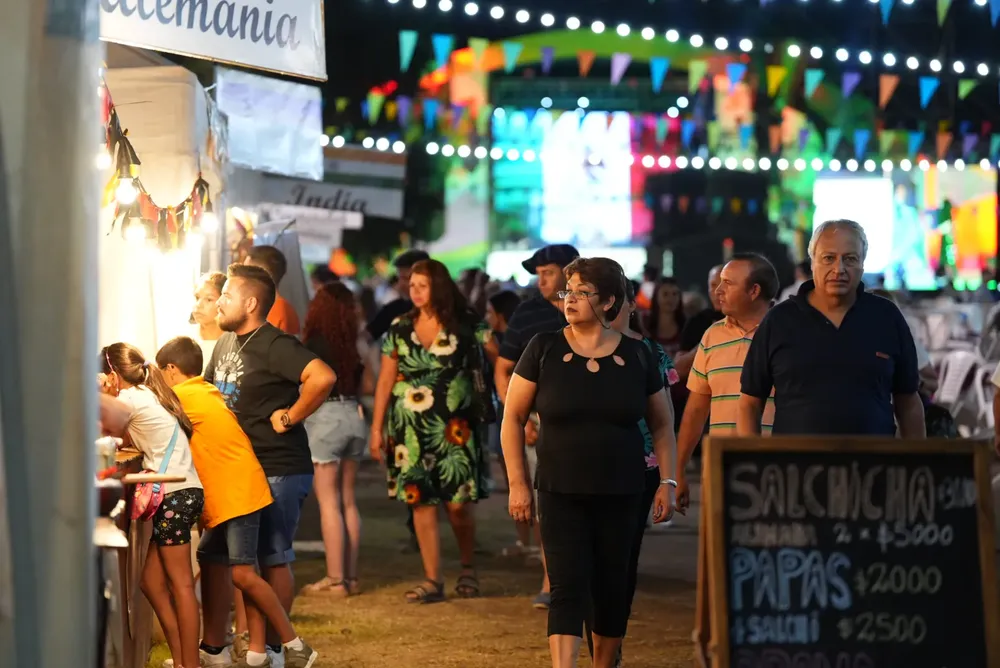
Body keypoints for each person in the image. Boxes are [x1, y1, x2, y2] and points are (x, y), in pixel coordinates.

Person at [501, 257, 676, 668]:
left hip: (624, 490)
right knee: (567, 586)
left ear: (610, 300)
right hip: (560, 489)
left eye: (582, 292)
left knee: (613, 585)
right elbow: (512, 417)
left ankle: (604, 663)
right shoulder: (543, 347)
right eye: (568, 291)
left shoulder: (638, 355)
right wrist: (517, 483)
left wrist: (668, 481)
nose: (570, 299)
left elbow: (664, 425)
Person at [155, 337, 317, 668]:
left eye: (161, 373)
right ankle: (238, 651)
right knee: (211, 556)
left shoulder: (183, 397)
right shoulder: (205, 391)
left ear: (171, 370)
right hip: (234, 494)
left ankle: (294, 643)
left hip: (237, 496)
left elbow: (150, 419)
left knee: (243, 574)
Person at [206, 263, 335, 667]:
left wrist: (291, 415)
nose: (219, 302)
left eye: (226, 295)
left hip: (278, 465)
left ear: (251, 302)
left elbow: (322, 376)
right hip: (242, 468)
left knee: (272, 554)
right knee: (232, 558)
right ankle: (234, 648)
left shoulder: (276, 343)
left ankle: (278, 649)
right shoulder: (226, 342)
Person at [670, 254, 779, 663]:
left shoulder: (786, 330)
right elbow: (695, 411)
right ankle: (725, 642)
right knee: (722, 558)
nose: (718, 289)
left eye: (728, 283)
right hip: (723, 470)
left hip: (777, 468)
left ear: (755, 291)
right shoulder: (713, 335)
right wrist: (677, 472)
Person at [370, 259, 499, 602]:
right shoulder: (399, 326)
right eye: (411, 285)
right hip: (409, 430)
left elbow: (501, 357)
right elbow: (385, 380)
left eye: (422, 285)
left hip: (456, 428)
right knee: (421, 502)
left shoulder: (466, 322)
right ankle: (432, 578)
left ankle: (468, 566)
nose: (414, 291)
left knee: (458, 505)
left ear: (438, 286)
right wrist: (376, 428)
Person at [737, 219, 926, 437]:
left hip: (875, 467)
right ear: (812, 263)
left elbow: (909, 402)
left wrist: (916, 466)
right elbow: (750, 403)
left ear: (863, 264)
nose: (839, 269)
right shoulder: (779, 320)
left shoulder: (887, 317)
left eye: (850, 259)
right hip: (793, 467)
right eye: (828, 258)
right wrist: (753, 465)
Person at [99, 343, 204, 668]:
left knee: (181, 585)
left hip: (175, 493)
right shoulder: (147, 392)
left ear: (113, 374)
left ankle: (191, 664)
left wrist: (101, 393)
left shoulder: (129, 399)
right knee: (152, 583)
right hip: (184, 491)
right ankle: (185, 659)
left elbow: (107, 427)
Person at [592, 278, 679, 668]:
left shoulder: (648, 352)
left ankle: (610, 641)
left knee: (622, 559)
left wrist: (669, 478)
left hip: (639, 468)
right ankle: (598, 639)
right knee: (585, 560)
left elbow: (666, 419)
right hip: (587, 467)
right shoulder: (577, 349)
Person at [494, 243, 579, 609]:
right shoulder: (527, 313)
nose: (541, 280)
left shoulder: (593, 307)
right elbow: (503, 368)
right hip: (539, 424)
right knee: (548, 505)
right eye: (538, 274)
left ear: (569, 272)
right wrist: (520, 416)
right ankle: (552, 579)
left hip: (589, 422)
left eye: (547, 273)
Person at [299, 282, 371, 597]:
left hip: (325, 418)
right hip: (353, 416)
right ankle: (351, 577)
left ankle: (335, 579)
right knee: (348, 500)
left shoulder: (314, 344)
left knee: (328, 502)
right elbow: (369, 382)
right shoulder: (357, 342)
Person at [366, 249, 430, 342]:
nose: (400, 284)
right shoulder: (394, 310)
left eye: (406, 278)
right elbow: (367, 336)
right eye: (399, 278)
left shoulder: (445, 310)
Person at [245, 245, 301, 336]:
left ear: (264, 273)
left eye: (247, 270)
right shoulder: (270, 309)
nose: (242, 276)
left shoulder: (278, 311)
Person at [191, 272, 227, 373]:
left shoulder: (233, 342)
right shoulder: (184, 340)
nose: (198, 305)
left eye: (208, 299)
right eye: (197, 298)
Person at [643, 278, 686, 358]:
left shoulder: (686, 326)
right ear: (656, 297)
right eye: (665, 294)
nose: (671, 299)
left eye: (675, 294)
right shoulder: (644, 323)